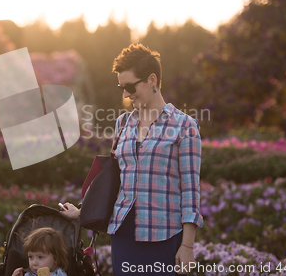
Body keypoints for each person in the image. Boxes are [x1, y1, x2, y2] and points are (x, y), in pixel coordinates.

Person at [62, 43, 203, 275]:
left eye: (130, 86)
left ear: (152, 80)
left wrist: (187, 245)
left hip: (164, 237)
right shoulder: (123, 123)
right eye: (122, 87)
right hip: (123, 236)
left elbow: (191, 190)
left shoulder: (185, 126)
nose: (125, 94)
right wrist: (83, 210)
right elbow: (116, 181)